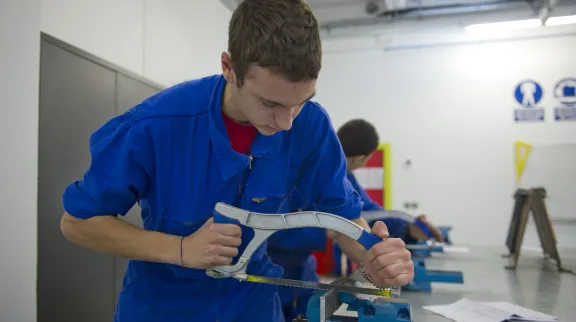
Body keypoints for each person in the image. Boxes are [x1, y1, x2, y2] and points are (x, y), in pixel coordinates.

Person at [58, 1, 414, 322]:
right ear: (229, 67)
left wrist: (373, 260)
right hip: (162, 307)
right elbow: (78, 223)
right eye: (270, 104)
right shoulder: (155, 126)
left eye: (301, 101)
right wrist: (181, 249)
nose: (287, 122)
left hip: (253, 306)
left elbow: (343, 221)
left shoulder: (311, 125)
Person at [267, 119, 441, 321]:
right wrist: (326, 232)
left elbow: (364, 213)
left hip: (304, 274)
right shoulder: (285, 169)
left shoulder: (337, 174)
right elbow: (272, 229)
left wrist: (406, 227)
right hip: (273, 271)